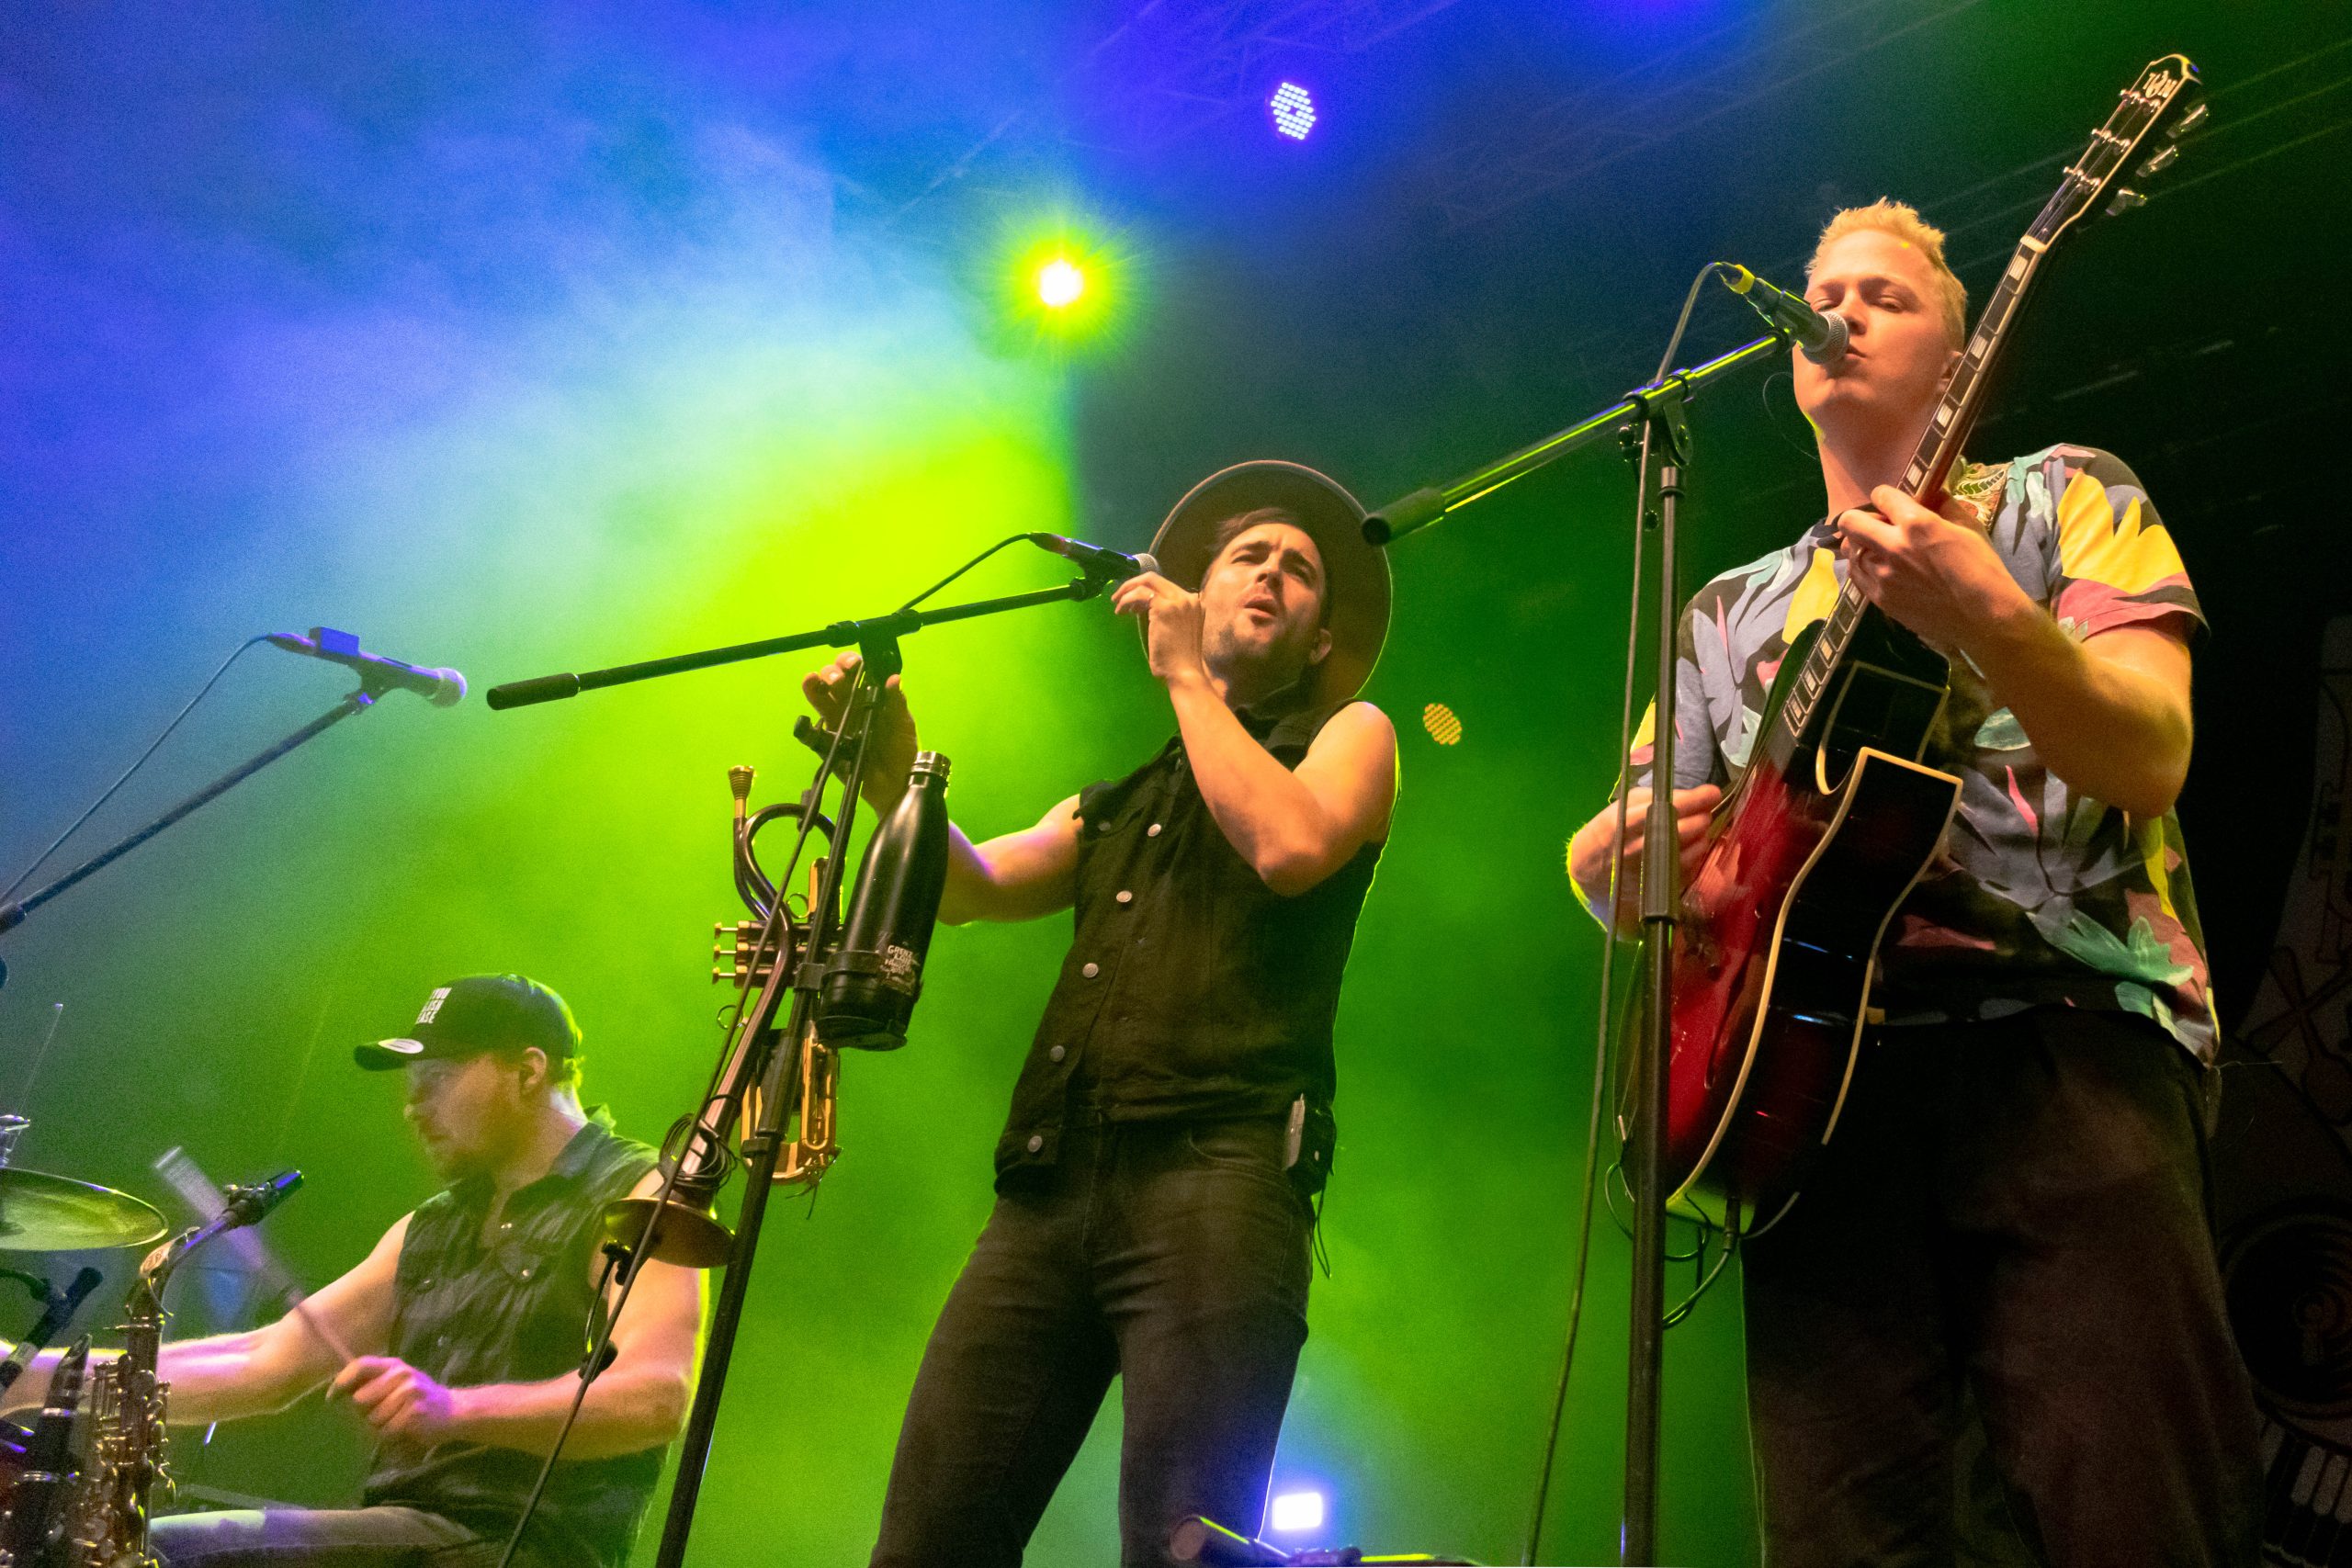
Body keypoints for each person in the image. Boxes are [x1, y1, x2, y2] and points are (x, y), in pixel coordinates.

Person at [1566, 201, 2262, 1565]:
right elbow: (1656, 851)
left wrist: (1989, 616)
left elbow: (2152, 751)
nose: (1842, 308)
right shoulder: (1724, 607)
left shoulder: (2067, 493)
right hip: (1812, 1105)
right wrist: (1608, 867)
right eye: (1825, 291)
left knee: (2135, 1513)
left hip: (2067, 1051)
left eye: (1884, 293)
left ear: (1961, 352)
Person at [804, 462, 1397, 1567]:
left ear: (1320, 639)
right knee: (928, 1541)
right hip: (1045, 1192)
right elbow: (976, 886)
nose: (1271, 571)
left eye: (1300, 571)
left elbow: (1291, 846)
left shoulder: (1352, 735)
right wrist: (893, 779)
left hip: (1215, 1181)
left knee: (1184, 1548)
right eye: (1247, 557)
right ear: (1195, 591)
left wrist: (1186, 681)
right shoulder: (1117, 799)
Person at [6, 974, 705, 1568]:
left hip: (519, 1546)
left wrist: (456, 1409)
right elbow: (264, 1360)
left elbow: (655, 1395)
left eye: (435, 1080)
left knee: (155, 1553)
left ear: (527, 1071)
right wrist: (26, 1375)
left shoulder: (637, 1197)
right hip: (410, 1535)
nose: (413, 1107)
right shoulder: (434, 1225)